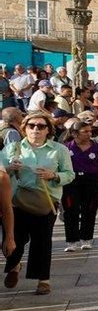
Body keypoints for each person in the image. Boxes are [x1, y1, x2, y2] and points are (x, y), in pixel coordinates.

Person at [4, 114, 74, 296]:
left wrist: (54, 175)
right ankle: (14, 265)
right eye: (32, 126)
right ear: (24, 128)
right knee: (14, 239)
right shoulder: (13, 147)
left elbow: (69, 174)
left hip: (46, 201)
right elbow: (1, 172)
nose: (36, 129)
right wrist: (10, 169)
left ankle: (43, 280)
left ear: (48, 130)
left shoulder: (59, 150)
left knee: (42, 242)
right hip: (17, 201)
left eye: (41, 126)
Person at [62, 122, 98, 252]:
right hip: (71, 181)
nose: (89, 134)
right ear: (75, 133)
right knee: (71, 211)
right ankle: (71, 241)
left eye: (90, 131)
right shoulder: (66, 148)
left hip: (91, 180)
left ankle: (86, 238)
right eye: (85, 131)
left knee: (89, 210)